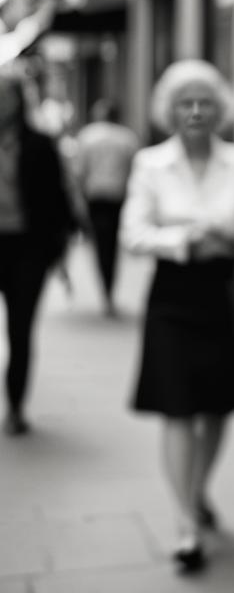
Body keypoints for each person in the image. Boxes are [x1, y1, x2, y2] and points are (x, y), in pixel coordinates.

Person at [121, 59, 234, 573]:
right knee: (177, 407)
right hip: (173, 295)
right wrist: (185, 239)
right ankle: (186, 522)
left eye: (204, 102)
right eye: (185, 102)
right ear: (170, 109)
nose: (195, 111)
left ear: (219, 109)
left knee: (218, 407)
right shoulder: (150, 165)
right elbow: (134, 234)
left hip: (225, 295)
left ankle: (197, 488)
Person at [0, 68, 77, 436]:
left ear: (19, 100)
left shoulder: (40, 145)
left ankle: (15, 404)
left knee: (20, 328)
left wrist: (57, 252)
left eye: (7, 95)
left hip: (26, 250)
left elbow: (57, 201)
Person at [75, 98, 139, 315]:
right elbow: (134, 170)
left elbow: (79, 171)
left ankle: (106, 287)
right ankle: (109, 288)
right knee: (111, 244)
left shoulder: (87, 137)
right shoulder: (127, 138)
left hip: (96, 196)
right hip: (118, 196)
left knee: (101, 244)